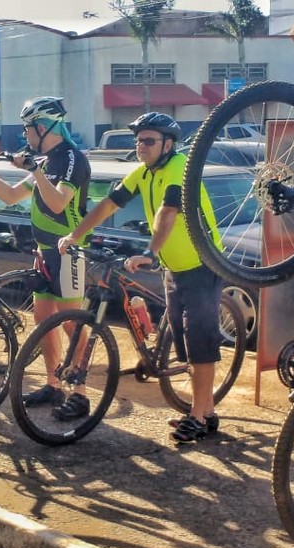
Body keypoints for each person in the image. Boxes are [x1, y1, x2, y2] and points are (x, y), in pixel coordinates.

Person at [58, 112, 224, 441]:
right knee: (183, 342)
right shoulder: (143, 174)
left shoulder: (179, 168)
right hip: (174, 267)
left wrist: (149, 252)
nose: (141, 146)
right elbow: (109, 204)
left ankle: (201, 416)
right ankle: (205, 411)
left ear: (168, 144)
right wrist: (76, 235)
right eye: (138, 140)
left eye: (148, 140)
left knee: (199, 343)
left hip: (203, 265)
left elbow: (167, 214)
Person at [0, 96, 92, 420]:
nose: (25, 135)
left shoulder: (72, 159)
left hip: (69, 252)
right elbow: (13, 196)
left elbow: (57, 204)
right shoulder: (47, 163)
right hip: (44, 252)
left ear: (42, 127)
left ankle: (80, 393)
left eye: (28, 128)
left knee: (72, 323)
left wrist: (33, 170)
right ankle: (54, 384)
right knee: (43, 322)